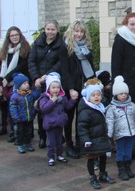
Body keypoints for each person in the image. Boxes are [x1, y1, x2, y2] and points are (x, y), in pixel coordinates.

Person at [59, 20, 96, 159]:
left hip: (85, 87)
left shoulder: (87, 48)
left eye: (81, 32)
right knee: (69, 117)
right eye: (76, 31)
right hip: (72, 88)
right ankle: (69, 145)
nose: (79, 34)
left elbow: (91, 67)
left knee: (82, 117)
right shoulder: (66, 47)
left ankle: (81, 143)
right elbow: (64, 70)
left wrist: (92, 84)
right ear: (71, 31)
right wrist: (70, 89)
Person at [28, 20, 63, 147]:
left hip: (53, 81)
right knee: (41, 109)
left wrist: (47, 76)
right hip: (39, 82)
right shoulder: (37, 43)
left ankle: (58, 134)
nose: (50, 32)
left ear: (57, 30)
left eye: (53, 29)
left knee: (56, 107)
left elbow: (60, 63)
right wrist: (36, 78)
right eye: (48, 29)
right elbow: (31, 61)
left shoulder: (61, 44)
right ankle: (43, 136)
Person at [77, 79, 115, 190]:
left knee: (103, 157)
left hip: (101, 138)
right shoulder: (85, 111)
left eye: (98, 95)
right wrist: (86, 140)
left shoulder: (100, 107)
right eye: (93, 95)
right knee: (92, 159)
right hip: (91, 141)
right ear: (88, 97)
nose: (96, 97)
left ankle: (103, 174)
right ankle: (92, 177)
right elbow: (82, 127)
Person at [0, 26, 31, 137]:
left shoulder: (25, 48)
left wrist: (8, 78)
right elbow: (2, 67)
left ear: (20, 35)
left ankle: (21, 134)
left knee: (19, 108)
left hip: (20, 82)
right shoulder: (6, 50)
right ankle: (11, 131)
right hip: (6, 83)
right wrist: (0, 83)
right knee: (8, 108)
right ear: (8, 37)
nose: (14, 37)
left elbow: (22, 66)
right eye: (12, 35)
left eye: (16, 35)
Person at [38, 72, 78, 166]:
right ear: (48, 88)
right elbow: (44, 109)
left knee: (59, 141)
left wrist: (73, 100)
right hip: (50, 124)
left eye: (58, 87)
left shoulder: (62, 98)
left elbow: (67, 107)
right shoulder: (44, 98)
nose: (56, 89)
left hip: (59, 123)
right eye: (53, 87)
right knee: (51, 142)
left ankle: (59, 155)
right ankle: (51, 157)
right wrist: (52, 101)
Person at [105, 75, 135, 181]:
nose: (124, 96)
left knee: (129, 151)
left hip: (131, 133)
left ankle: (128, 167)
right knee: (121, 151)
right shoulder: (112, 108)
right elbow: (109, 121)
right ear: (116, 94)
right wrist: (109, 134)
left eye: (125, 93)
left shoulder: (132, 105)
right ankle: (121, 169)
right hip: (119, 134)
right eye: (121, 94)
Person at [111, 12, 135, 105]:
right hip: (125, 84)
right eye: (132, 24)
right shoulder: (120, 40)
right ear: (126, 24)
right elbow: (115, 65)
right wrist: (118, 86)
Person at [9, 73, 41, 154]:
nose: (27, 85)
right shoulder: (15, 96)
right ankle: (20, 144)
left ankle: (27, 143)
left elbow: (36, 95)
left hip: (29, 117)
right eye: (24, 83)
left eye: (27, 83)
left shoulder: (30, 93)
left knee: (29, 131)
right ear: (18, 86)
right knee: (20, 132)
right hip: (20, 119)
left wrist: (38, 88)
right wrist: (16, 117)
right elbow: (13, 107)